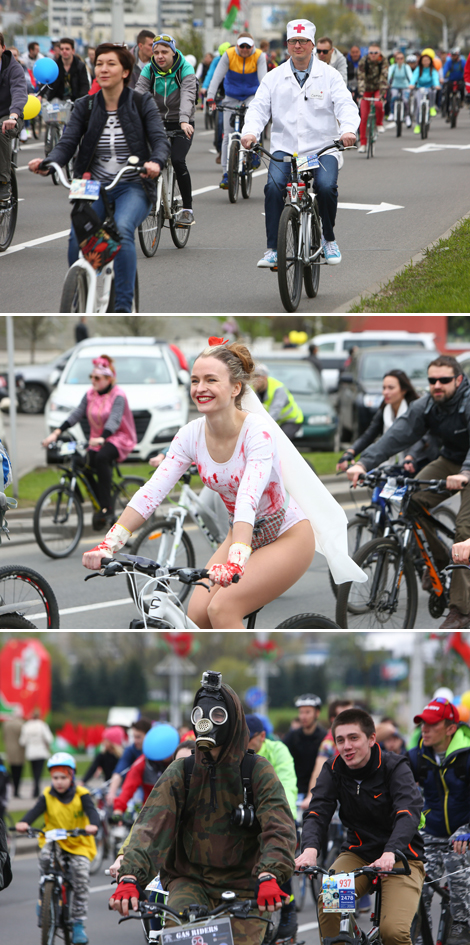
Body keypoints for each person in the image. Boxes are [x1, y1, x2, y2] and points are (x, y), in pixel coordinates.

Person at [82, 339, 318, 630]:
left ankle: (255, 674)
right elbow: (152, 492)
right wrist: (109, 544)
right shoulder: (189, 435)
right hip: (239, 535)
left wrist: (236, 561)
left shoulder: (257, 431)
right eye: (195, 380)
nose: (199, 388)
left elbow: (247, 497)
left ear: (235, 388)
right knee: (196, 617)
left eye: (210, 380)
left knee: (222, 608)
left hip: (286, 535)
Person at [108, 672, 297, 940]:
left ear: (233, 721)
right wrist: (130, 876)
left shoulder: (257, 771)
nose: (206, 723)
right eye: (199, 715)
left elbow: (279, 826)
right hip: (189, 880)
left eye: (217, 716)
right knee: (180, 937)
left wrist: (270, 873)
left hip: (245, 885)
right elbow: (151, 825)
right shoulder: (181, 771)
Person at [29, 44, 169, 313]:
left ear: (126, 71)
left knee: (124, 229)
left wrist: (155, 162)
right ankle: (79, 295)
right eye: (100, 63)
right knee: (76, 238)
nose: (103, 68)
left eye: (111, 64)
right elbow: (67, 142)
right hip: (91, 184)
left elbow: (159, 140)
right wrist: (50, 162)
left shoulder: (142, 102)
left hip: (132, 183)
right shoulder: (86, 105)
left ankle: (122, 308)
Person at [347, 354, 470, 628]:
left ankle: (461, 610)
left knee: (464, 533)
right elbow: (398, 434)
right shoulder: (428, 404)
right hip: (451, 460)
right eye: (432, 380)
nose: (437, 385)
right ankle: (438, 563)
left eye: (444, 380)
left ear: (459, 380)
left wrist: (465, 473)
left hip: (469, 466)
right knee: (411, 500)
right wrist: (363, 463)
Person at [296, 707, 425, 945]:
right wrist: (310, 849)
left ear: (372, 738)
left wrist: (391, 851)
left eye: (354, 738)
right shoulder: (333, 768)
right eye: (340, 740)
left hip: (401, 857)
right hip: (359, 853)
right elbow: (317, 812)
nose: (347, 746)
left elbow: (408, 813)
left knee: (393, 932)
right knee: (329, 903)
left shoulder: (395, 767)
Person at [241, 18, 358, 269]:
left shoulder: (330, 75)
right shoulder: (274, 77)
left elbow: (346, 105)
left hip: (321, 148)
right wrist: (250, 133)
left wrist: (348, 130)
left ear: (312, 44)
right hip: (285, 148)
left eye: (303, 41)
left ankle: (328, 239)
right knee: (273, 188)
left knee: (326, 188)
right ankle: (273, 248)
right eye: (293, 41)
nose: (298, 45)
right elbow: (258, 108)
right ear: (287, 44)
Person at [42, 354, 137, 529]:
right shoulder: (90, 394)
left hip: (119, 437)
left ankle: (107, 508)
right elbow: (77, 414)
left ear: (109, 379)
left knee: (101, 458)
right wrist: (56, 433)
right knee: (81, 462)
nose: (93, 380)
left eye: (97, 378)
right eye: (91, 377)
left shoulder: (118, 395)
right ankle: (99, 504)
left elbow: (115, 419)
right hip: (97, 440)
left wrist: (104, 436)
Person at [16, 752, 99, 945]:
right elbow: (34, 811)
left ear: (71, 777)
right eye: (55, 778)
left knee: (80, 876)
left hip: (78, 842)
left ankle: (78, 923)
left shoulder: (82, 794)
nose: (59, 782)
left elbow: (92, 813)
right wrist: (24, 823)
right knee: (45, 860)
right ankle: (44, 899)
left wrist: (92, 825)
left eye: (63, 777)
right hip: (54, 841)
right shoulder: (47, 795)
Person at [407, 698, 470, 945]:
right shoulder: (416, 757)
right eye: (423, 723)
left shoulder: (467, 757)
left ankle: (462, 925)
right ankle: (420, 933)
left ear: (451, 728)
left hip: (465, 832)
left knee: (456, 861)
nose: (425, 729)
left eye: (433, 724)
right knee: (415, 880)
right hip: (431, 832)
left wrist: (466, 830)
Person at [246, 714, 298, 944]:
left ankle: (288, 908)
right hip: (246, 817)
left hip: (275, 814)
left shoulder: (278, 751)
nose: (244, 744)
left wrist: (283, 819)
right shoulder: (237, 753)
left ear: (262, 737)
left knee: (278, 853)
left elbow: (287, 783)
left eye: (249, 739)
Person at [135, 33, 197, 227]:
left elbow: (188, 94)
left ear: (173, 51)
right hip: (157, 121)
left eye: (164, 51)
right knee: (147, 160)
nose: (160, 56)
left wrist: (184, 121)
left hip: (182, 122)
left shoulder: (185, 68)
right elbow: (139, 93)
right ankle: (148, 199)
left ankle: (187, 208)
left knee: (178, 160)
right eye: (156, 52)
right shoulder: (149, 69)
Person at [206, 32, 267, 189]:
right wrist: (210, 97)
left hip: (251, 96)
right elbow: (216, 77)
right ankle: (226, 174)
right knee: (227, 135)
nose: (245, 49)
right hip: (231, 96)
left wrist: (266, 100)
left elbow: (264, 81)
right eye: (242, 46)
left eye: (248, 46)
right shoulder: (229, 55)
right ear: (237, 46)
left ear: (253, 46)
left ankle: (255, 152)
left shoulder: (259, 56)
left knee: (254, 122)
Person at [336, 369, 423, 471]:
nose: (385, 392)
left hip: (418, 463)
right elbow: (369, 435)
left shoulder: (415, 410)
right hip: (392, 467)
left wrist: (410, 456)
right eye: (384, 388)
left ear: (404, 390)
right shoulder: (384, 410)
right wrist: (350, 452)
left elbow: (422, 438)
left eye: (391, 388)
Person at [112, 724, 179, 814]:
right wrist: (118, 809)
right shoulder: (142, 762)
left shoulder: (180, 759)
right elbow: (129, 786)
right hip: (152, 814)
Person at [300, 699, 353, 804]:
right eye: (346, 717)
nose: (353, 720)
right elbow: (319, 768)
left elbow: (388, 729)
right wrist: (311, 795)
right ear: (334, 720)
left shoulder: (363, 735)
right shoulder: (328, 743)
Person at [0, 32, 27, 201]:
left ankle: (3, 182)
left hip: (9, 116)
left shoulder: (13, 68)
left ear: (2, 48)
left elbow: (18, 91)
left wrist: (14, 115)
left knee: (1, 131)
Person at [283, 694, 326, 798]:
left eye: (307, 712)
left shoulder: (325, 738)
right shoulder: (290, 738)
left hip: (319, 791)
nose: (303, 716)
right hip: (295, 792)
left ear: (317, 713)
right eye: (301, 712)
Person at [106, 717, 153, 805]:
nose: (135, 740)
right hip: (137, 790)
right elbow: (119, 771)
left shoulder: (158, 751)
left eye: (138, 737)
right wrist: (112, 793)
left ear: (149, 735)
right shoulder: (131, 750)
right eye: (133, 737)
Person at [251, 363, 303, 442]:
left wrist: (260, 426)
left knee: (281, 441)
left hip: (290, 420)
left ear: (265, 377)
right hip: (275, 421)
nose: (254, 381)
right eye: (252, 377)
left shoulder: (278, 388)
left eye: (257, 377)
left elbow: (275, 411)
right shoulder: (251, 389)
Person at [356, 42, 389, 151]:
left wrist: (383, 93)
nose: (373, 55)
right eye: (371, 52)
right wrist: (360, 93)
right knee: (363, 116)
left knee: (378, 104)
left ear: (379, 53)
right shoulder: (363, 61)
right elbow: (360, 77)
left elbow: (384, 77)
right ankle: (363, 143)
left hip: (378, 88)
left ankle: (379, 122)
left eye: (375, 52)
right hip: (366, 89)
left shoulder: (383, 61)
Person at [19, 708, 53, 798]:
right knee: (39, 771)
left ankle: (35, 789)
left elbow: (22, 741)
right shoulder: (42, 725)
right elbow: (49, 738)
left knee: (33, 771)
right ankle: (36, 789)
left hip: (30, 752)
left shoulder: (26, 726)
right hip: (41, 751)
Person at [43, 37, 89, 102]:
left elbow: (84, 86)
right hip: (56, 100)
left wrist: (82, 102)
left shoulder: (80, 66)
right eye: (62, 49)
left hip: (76, 101)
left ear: (73, 51)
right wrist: (40, 95)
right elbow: (46, 81)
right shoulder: (54, 65)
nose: (64, 51)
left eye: (67, 49)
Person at [409, 51, 440, 133]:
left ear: (430, 61)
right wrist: (411, 84)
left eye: (427, 60)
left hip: (430, 87)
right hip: (420, 88)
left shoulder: (432, 69)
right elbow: (414, 77)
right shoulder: (418, 69)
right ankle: (418, 125)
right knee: (419, 105)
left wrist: (437, 85)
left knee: (433, 92)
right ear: (421, 61)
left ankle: (432, 107)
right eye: (424, 60)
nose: (425, 62)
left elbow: (435, 78)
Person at [2, 708, 25, 797]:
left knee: (11, 771)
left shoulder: (6, 724)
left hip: (9, 751)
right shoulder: (21, 724)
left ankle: (11, 790)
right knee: (18, 772)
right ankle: (16, 790)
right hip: (19, 751)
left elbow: (4, 737)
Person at [387, 52, 413, 127]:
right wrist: (387, 83)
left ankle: (407, 116)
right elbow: (389, 75)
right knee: (393, 97)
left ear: (403, 59)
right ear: (395, 59)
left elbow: (410, 76)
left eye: (401, 58)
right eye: (398, 58)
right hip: (395, 85)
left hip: (405, 86)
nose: (399, 60)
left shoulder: (406, 67)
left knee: (405, 100)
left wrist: (411, 84)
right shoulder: (393, 67)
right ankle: (392, 113)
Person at [442, 47, 466, 118]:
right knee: (447, 96)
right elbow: (445, 71)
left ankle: (461, 101)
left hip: (460, 80)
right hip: (451, 81)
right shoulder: (449, 62)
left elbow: (466, 70)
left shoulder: (462, 62)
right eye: (452, 55)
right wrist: (442, 78)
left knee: (462, 89)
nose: (453, 57)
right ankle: (447, 112)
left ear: (458, 56)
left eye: (455, 55)